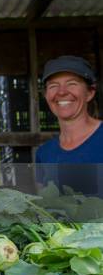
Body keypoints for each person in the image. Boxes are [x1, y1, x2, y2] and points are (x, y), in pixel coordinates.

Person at [35, 55, 103, 196]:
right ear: (46, 95)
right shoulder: (44, 154)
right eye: (53, 86)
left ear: (90, 93)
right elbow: (44, 209)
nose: (62, 92)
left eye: (72, 84)